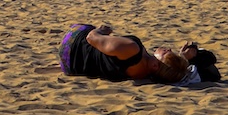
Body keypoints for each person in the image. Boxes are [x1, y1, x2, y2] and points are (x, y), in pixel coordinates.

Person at [58, 23, 190, 84]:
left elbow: (91, 38)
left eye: (166, 53)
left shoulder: (131, 49)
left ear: (156, 65)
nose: (168, 49)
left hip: (70, 46)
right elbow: (172, 69)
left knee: (89, 28)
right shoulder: (142, 75)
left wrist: (102, 31)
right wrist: (181, 58)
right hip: (71, 68)